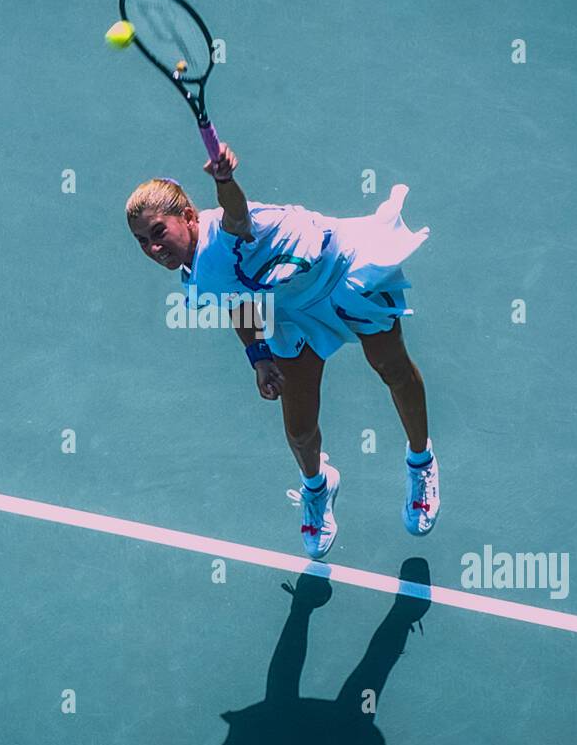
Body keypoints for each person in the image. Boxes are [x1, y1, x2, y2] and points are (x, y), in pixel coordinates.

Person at [126, 143, 440, 557]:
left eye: (158, 232)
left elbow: (236, 212)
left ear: (187, 216)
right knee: (299, 427)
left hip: (345, 269)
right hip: (291, 310)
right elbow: (237, 300)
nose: (152, 248)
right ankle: (318, 486)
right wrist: (258, 357)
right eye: (142, 241)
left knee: (391, 367)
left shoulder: (225, 229)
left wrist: (225, 180)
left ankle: (421, 462)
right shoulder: (196, 271)